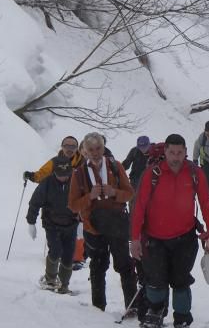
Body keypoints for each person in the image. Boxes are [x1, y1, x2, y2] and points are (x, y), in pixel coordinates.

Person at [129, 133, 209, 328]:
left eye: (180, 152)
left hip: (184, 238)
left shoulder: (195, 173)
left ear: (186, 152)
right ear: (166, 151)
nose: (176, 157)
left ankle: (182, 319)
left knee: (181, 281)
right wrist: (134, 238)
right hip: (154, 238)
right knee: (155, 280)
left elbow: (206, 203)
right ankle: (155, 313)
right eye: (172, 152)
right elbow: (139, 207)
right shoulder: (153, 173)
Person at [67, 132, 137, 312]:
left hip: (116, 225)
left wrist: (114, 192)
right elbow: (73, 205)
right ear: (85, 152)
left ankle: (132, 306)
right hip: (93, 228)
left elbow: (130, 193)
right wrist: (89, 197)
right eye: (91, 149)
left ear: (103, 148)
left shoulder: (115, 166)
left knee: (125, 265)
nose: (96, 152)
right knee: (97, 268)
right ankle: (98, 308)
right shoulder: (79, 174)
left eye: (98, 148)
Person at [23, 137, 86, 269]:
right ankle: (56, 260)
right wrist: (33, 176)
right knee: (56, 239)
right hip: (54, 207)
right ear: (62, 147)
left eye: (73, 146)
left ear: (77, 148)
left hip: (75, 207)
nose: (69, 149)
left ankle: (77, 259)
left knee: (75, 233)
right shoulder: (54, 162)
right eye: (66, 146)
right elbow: (43, 174)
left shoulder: (82, 163)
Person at [26, 155, 78, 294]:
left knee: (68, 255)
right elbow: (35, 203)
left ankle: (64, 285)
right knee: (55, 251)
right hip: (52, 224)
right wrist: (31, 222)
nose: (63, 178)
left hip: (71, 224)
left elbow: (84, 200)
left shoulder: (76, 181)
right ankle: (50, 280)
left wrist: (84, 219)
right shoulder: (47, 183)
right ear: (54, 172)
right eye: (60, 175)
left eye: (66, 175)